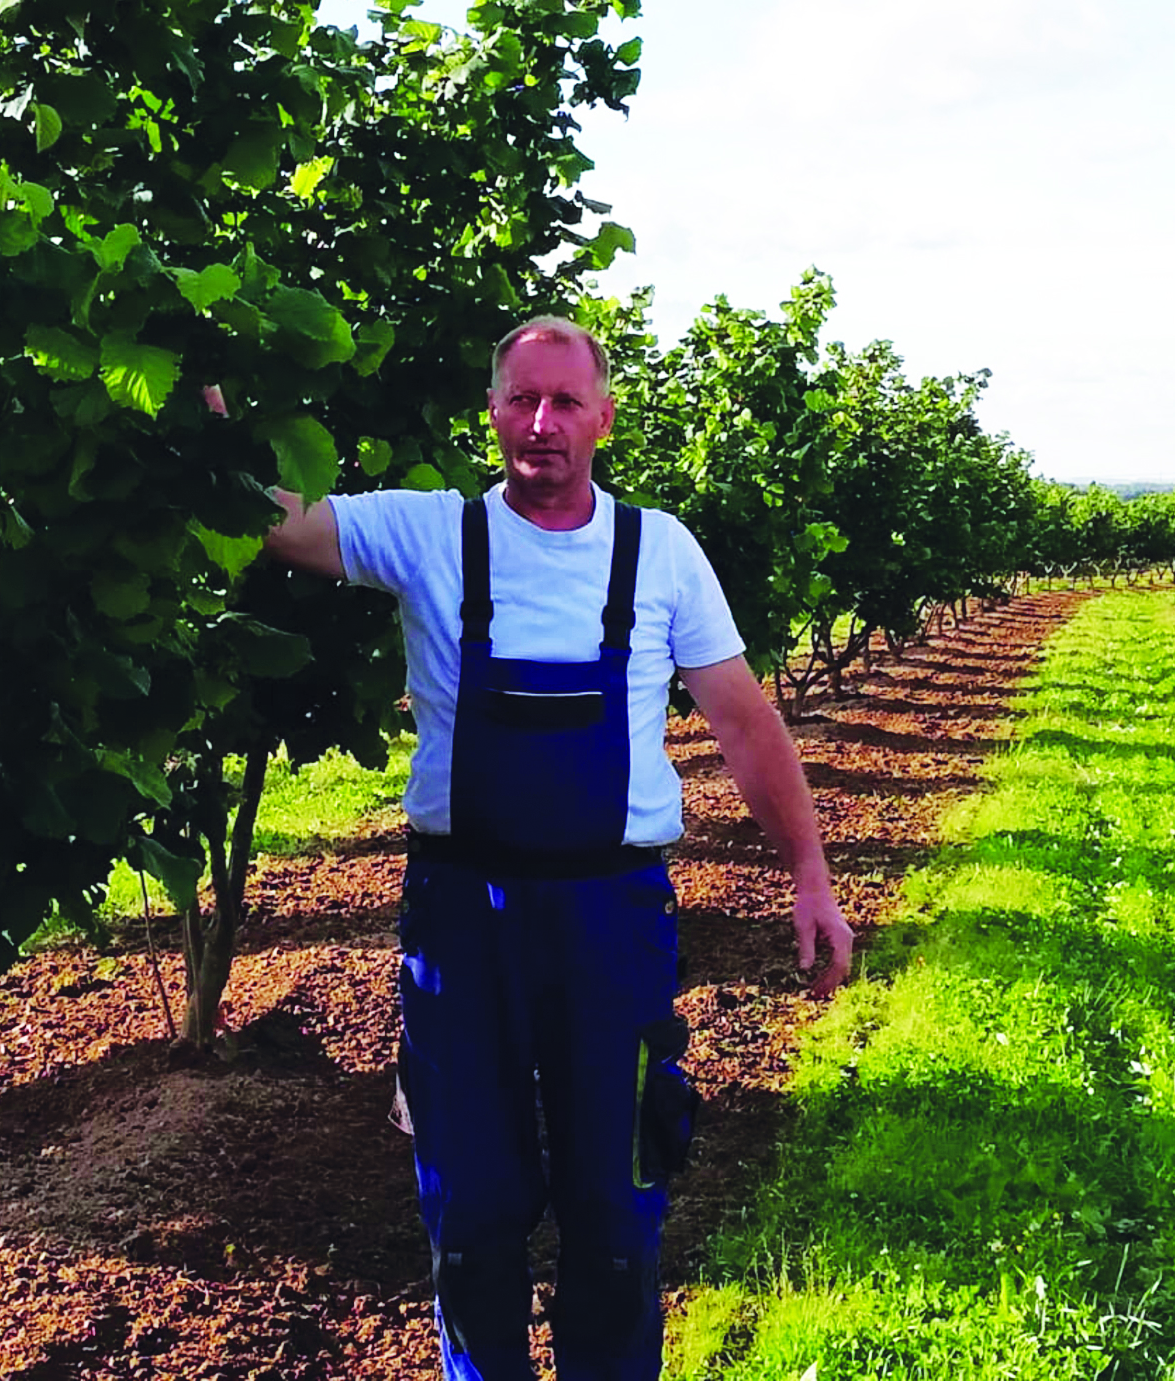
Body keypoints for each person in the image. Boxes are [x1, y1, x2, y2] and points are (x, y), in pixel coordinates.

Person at [256, 315, 852, 1381]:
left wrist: (810, 876)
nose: (541, 424)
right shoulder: (433, 533)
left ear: (604, 420)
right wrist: (213, 403)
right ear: (492, 414)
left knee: (615, 1210)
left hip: (610, 922)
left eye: (565, 402)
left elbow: (744, 723)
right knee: (471, 1209)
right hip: (463, 923)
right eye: (521, 400)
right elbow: (288, 529)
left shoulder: (658, 550)